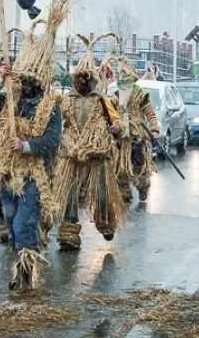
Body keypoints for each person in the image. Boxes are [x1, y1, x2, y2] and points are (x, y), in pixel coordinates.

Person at [0, 62, 61, 288]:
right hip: (9, 171)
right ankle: (21, 258)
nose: (26, 84)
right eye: (23, 80)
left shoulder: (50, 106)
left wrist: (25, 145)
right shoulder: (10, 101)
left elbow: (53, 140)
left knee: (25, 222)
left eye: (31, 80)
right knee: (10, 219)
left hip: (33, 174)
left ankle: (24, 273)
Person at [54, 37, 124, 251]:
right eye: (79, 79)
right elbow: (58, 122)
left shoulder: (102, 100)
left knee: (101, 192)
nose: (83, 83)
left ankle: (105, 222)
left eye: (86, 79)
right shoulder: (67, 100)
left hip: (96, 155)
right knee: (70, 193)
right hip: (72, 154)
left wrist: (117, 129)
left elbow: (117, 122)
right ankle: (69, 233)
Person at [111, 59, 160, 203]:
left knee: (140, 168)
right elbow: (110, 113)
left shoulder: (141, 94)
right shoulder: (116, 95)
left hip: (137, 137)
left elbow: (150, 113)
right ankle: (125, 193)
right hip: (121, 137)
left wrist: (154, 129)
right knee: (120, 168)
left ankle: (143, 188)